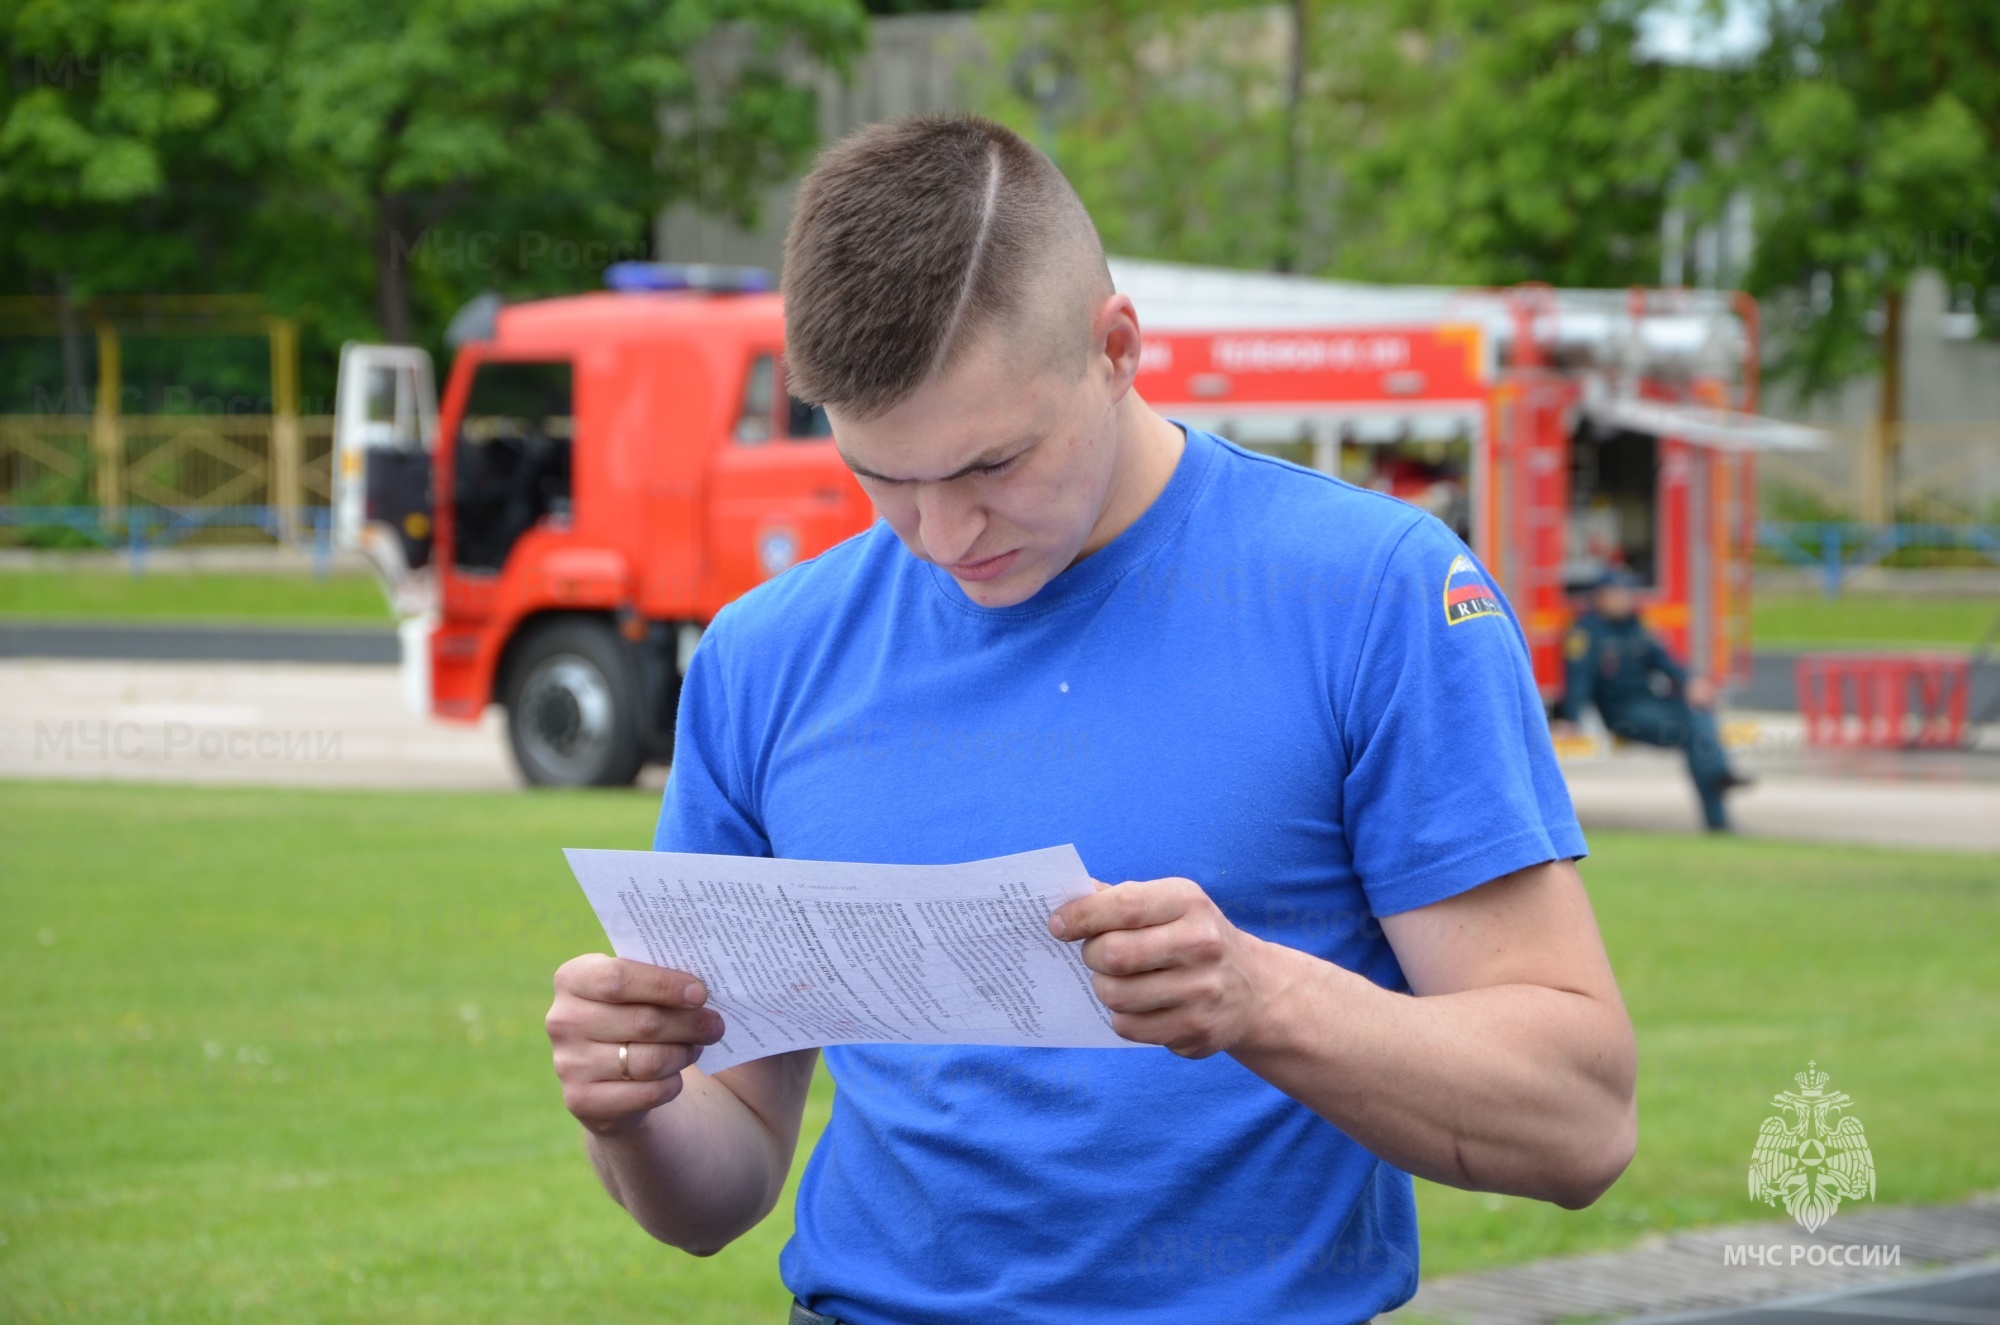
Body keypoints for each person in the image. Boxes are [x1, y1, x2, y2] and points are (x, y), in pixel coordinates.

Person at [545, 114, 1637, 1325]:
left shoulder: (1370, 592)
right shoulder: (765, 656)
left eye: (991, 464)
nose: (943, 535)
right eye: (882, 478)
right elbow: (728, 1175)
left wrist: (1263, 999)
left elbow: (1579, 1121)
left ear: (1114, 346)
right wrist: (633, 1106)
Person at [1554, 567, 1752, 832]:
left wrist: (1692, 682)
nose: (1626, 599)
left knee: (1700, 717)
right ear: (1600, 596)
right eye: (1619, 593)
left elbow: (1665, 661)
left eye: (1628, 592)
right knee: (1697, 734)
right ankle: (1719, 790)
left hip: (1651, 702)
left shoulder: (1637, 626)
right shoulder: (1585, 632)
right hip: (1623, 714)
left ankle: (1718, 804)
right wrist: (1571, 718)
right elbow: (1579, 679)